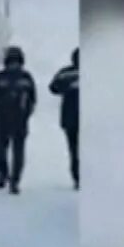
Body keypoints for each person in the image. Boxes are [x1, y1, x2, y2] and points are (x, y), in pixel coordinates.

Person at [0, 44, 38, 194]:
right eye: (11, 61)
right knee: (1, 151)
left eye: (17, 61)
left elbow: (33, 99)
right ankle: (3, 174)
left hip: (20, 121)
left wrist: (26, 114)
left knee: (18, 153)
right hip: (1, 120)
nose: (14, 64)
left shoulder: (26, 78)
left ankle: (15, 181)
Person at [48, 47, 80, 188]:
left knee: (75, 151)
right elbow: (53, 88)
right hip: (72, 118)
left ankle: (79, 177)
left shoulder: (66, 73)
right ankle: (79, 178)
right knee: (76, 150)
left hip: (70, 118)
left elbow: (54, 88)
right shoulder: (66, 73)